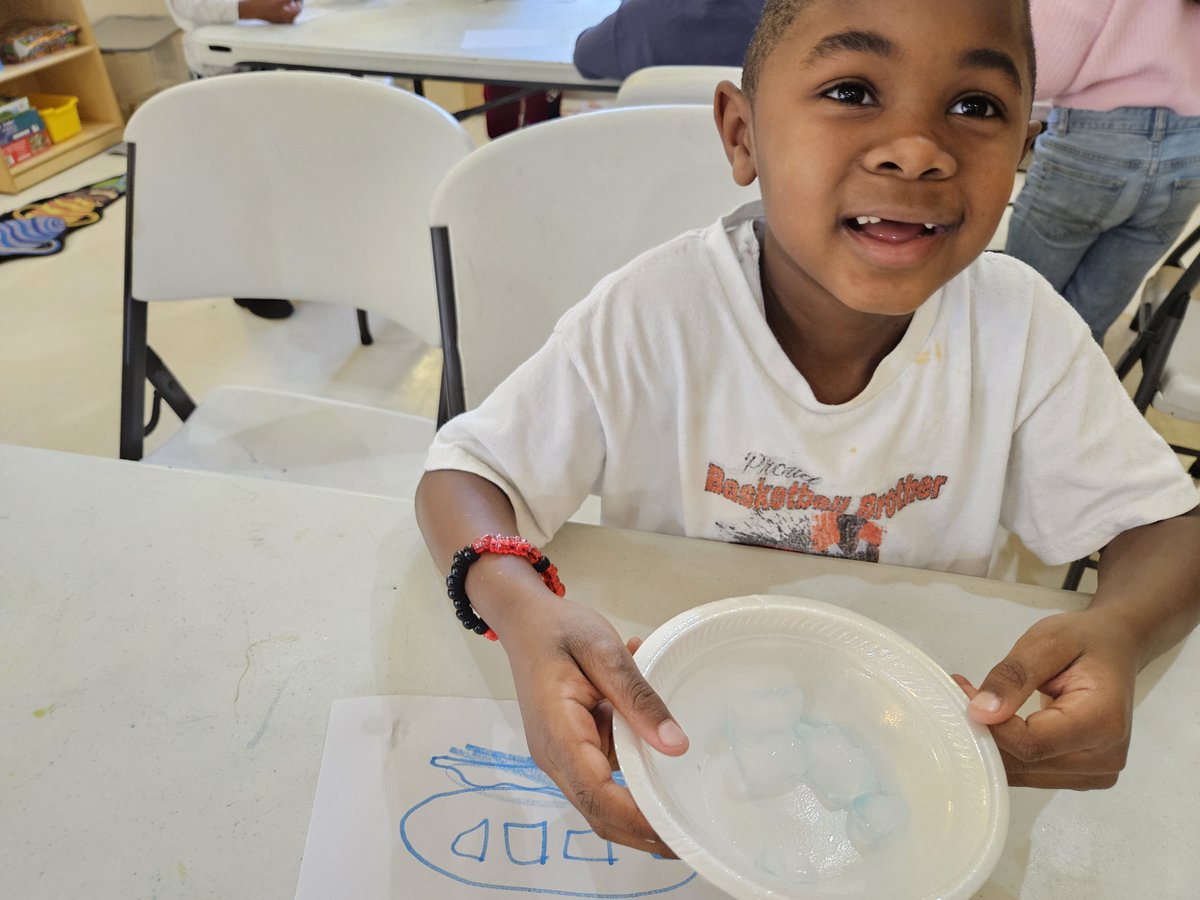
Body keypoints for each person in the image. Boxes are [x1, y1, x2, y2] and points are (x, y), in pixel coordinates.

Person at [416, 0, 1200, 855]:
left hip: (894, 752)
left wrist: (1119, 630)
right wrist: (523, 613)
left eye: (976, 106)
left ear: (1025, 148)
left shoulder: (1021, 331)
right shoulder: (658, 313)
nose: (919, 148)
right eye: (854, 89)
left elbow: (1167, 532)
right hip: (680, 736)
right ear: (743, 133)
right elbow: (464, 474)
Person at [1004, 0, 1200, 345]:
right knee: (1086, 324)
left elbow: (1039, 68)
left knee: (1019, 307)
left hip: (1095, 143)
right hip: (1190, 153)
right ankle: (1061, 391)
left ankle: (996, 388)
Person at [166, 0, 302, 319]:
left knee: (293, 176)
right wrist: (247, 9)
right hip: (225, 68)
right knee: (246, 185)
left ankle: (303, 265)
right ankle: (253, 283)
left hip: (291, 53)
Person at [573, 0, 765, 81]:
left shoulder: (642, 14)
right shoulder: (780, 16)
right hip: (754, 158)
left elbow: (584, 58)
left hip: (658, 156)